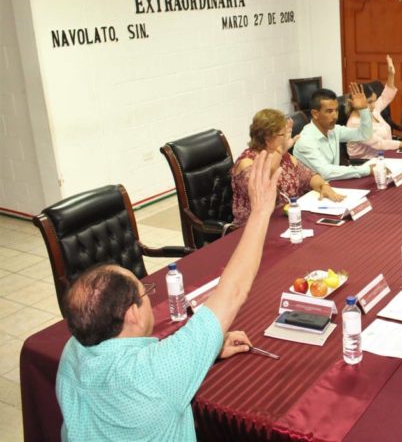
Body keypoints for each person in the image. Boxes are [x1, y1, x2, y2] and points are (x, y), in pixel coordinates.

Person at [56, 152, 280, 440]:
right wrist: (261, 211)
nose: (150, 295)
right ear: (132, 314)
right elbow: (233, 290)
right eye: (144, 291)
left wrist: (206, 350)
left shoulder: (72, 351)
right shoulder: (155, 372)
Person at [231, 109, 344, 225]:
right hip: (254, 226)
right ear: (267, 137)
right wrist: (280, 150)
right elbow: (264, 184)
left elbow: (310, 176)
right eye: (283, 134)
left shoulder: (285, 157)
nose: (287, 137)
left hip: (287, 219)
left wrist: (323, 186)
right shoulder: (247, 162)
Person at [346, 55, 402, 159]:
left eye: (374, 101)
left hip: (387, 155)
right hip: (368, 164)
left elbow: (385, 97)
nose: (374, 104)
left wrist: (391, 74)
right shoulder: (354, 124)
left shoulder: (371, 110)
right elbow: (380, 144)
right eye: (370, 102)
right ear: (357, 102)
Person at [293, 84, 377, 180]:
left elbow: (365, 134)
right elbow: (326, 172)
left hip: (334, 184)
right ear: (315, 114)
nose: (335, 116)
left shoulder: (334, 130)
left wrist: (363, 110)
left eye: (336, 110)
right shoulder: (305, 141)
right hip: (313, 191)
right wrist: (366, 170)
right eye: (329, 111)